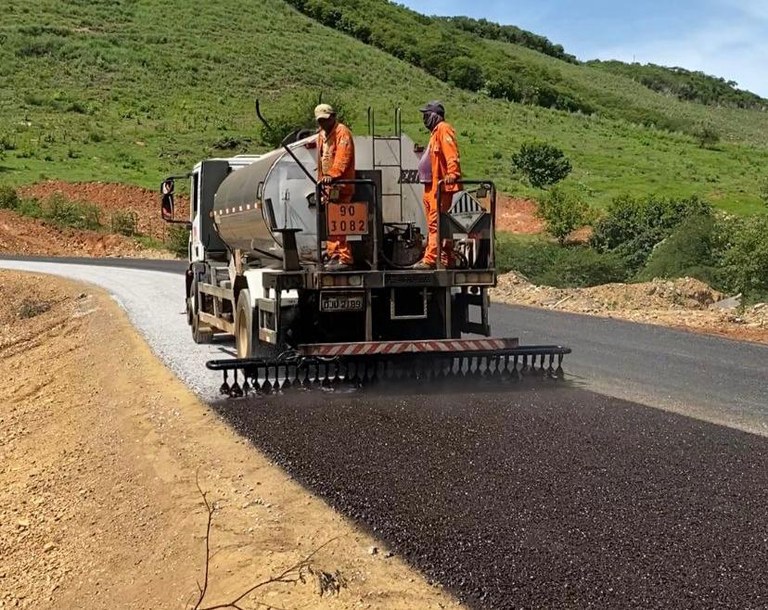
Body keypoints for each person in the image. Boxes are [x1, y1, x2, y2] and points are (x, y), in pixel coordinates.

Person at [413, 100, 462, 270]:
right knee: (435, 224)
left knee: (436, 223)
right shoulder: (434, 133)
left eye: (426, 115)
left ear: (435, 115)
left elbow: (451, 154)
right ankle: (443, 257)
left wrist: (452, 174)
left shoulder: (443, 129)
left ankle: (431, 258)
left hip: (439, 187)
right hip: (431, 186)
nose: (424, 118)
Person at [315, 103, 356, 271]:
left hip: (341, 185)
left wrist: (332, 175)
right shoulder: (321, 135)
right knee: (332, 223)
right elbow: (320, 161)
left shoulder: (342, 133)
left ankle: (344, 257)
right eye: (320, 121)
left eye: (325, 119)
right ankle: (334, 254)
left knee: (340, 223)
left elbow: (343, 157)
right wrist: (322, 181)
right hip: (328, 187)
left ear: (333, 116)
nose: (323, 123)